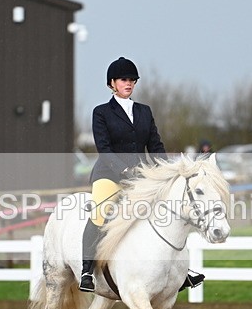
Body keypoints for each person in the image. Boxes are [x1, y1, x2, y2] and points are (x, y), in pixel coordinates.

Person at [79, 56, 205, 293]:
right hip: (108, 174)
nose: (129, 83)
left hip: (140, 175)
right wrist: (123, 170)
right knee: (100, 211)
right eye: (124, 79)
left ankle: (179, 271)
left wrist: (167, 173)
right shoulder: (102, 112)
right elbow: (104, 149)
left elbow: (155, 146)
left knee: (165, 212)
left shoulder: (144, 112)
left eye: (132, 80)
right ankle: (87, 270)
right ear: (112, 83)